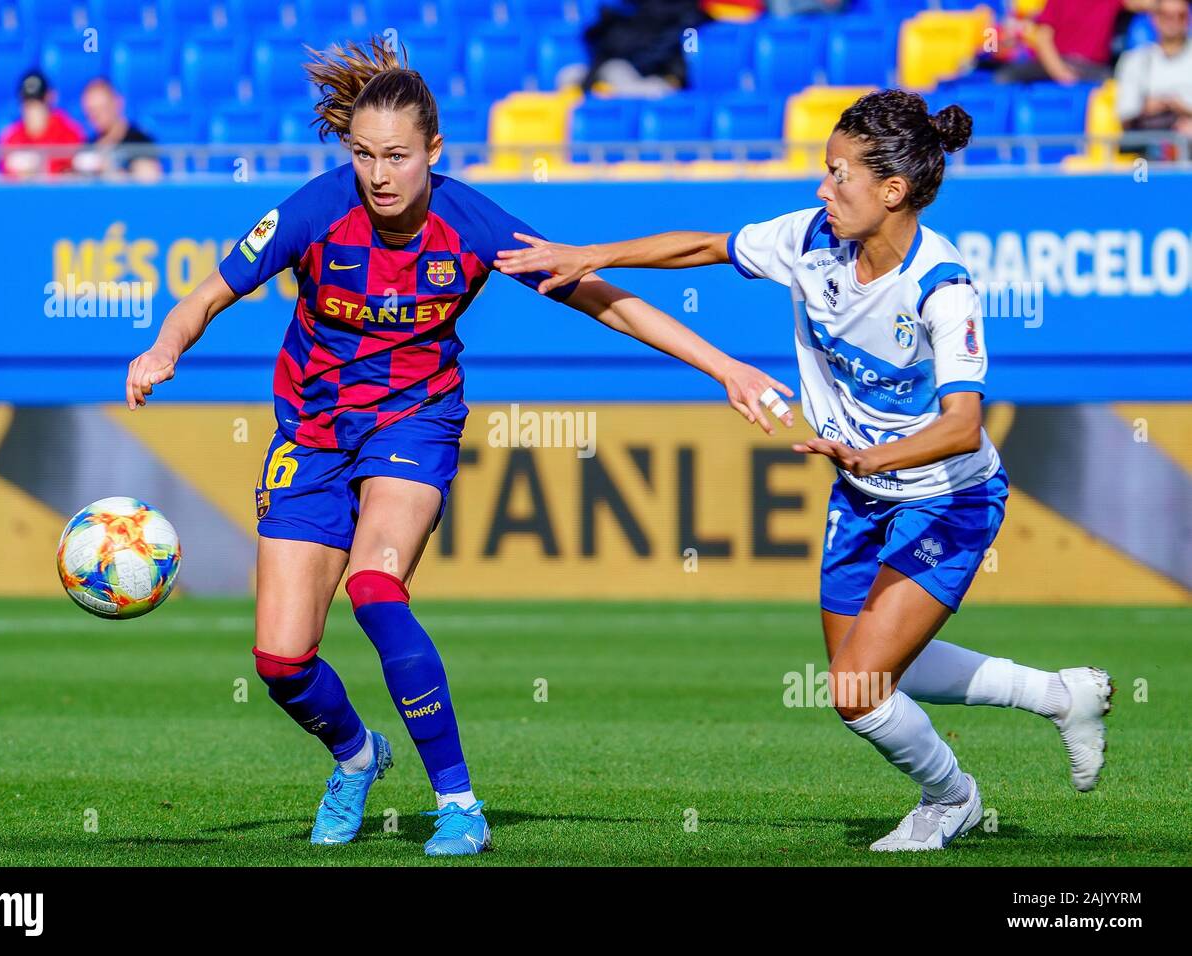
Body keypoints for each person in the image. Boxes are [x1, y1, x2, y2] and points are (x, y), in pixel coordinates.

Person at [123, 37, 791, 858]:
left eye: (397, 156)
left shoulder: (471, 222)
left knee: (374, 585)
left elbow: (605, 302)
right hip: (312, 433)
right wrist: (165, 347)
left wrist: (724, 367)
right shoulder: (311, 211)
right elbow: (207, 294)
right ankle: (357, 757)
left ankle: (458, 802)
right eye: (364, 154)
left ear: (434, 152)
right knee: (280, 662)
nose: (378, 174)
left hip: (416, 420)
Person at [496, 89, 1114, 852]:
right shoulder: (813, 238)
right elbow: (706, 248)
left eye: (838, 173)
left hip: (947, 499)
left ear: (892, 191)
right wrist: (593, 254)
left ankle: (949, 798)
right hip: (860, 493)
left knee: (859, 690)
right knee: (868, 673)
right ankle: (1059, 694)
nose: (823, 188)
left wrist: (871, 454)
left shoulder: (942, 289)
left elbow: (962, 426)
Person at [997, 0, 1152, 84]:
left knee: (1114, 87)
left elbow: (1146, 3)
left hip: (1094, 69)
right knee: (1004, 78)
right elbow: (1043, 38)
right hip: (1056, 63)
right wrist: (1061, 73)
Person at [1116, 0, 1192, 154]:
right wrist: (1152, 107)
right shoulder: (1134, 60)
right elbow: (1125, 115)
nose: (1174, 21)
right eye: (1167, 15)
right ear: (1154, 18)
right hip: (1147, 147)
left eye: (1181, 15)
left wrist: (1182, 110)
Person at [0, 70, 84, 179]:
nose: (33, 108)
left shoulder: (68, 132)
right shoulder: (12, 136)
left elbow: (76, 172)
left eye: (39, 101)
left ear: (50, 98)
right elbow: (5, 175)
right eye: (28, 102)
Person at [74, 76, 163, 182]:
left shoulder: (139, 140)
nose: (96, 115)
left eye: (102, 108)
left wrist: (109, 171)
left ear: (118, 103)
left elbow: (149, 179)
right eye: (91, 110)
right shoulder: (89, 145)